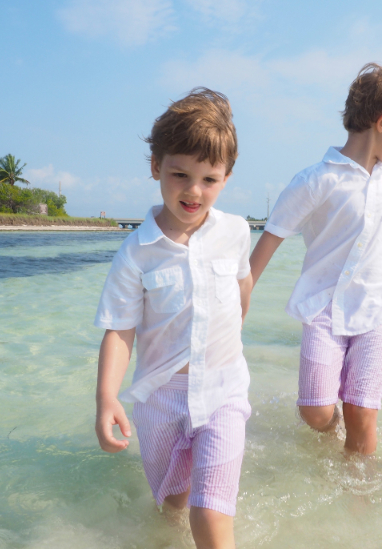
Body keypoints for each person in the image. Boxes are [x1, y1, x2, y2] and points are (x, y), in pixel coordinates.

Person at [248, 64, 382, 455]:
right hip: (324, 308)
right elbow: (271, 240)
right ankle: (336, 436)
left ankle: (361, 500)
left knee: (362, 412)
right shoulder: (317, 180)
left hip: (377, 309)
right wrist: (240, 298)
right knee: (315, 412)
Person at [93, 88, 253, 549]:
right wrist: (107, 398)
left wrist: (226, 343)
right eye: (180, 174)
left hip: (224, 389)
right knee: (173, 504)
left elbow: (241, 290)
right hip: (161, 400)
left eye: (209, 178)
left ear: (226, 177)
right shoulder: (135, 253)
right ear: (155, 167)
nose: (194, 190)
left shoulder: (236, 232)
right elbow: (120, 329)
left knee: (211, 509)